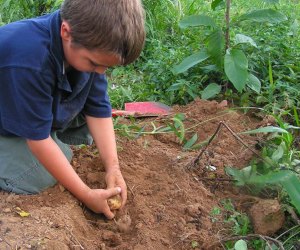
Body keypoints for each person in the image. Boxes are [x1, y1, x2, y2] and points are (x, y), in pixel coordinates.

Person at [0, 0, 145, 219]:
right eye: (95, 64)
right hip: (7, 106)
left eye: (106, 66)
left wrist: (113, 167)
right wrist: (86, 194)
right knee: (38, 175)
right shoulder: (29, 59)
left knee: (84, 126)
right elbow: (38, 141)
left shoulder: (85, 40)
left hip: (21, 99)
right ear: (66, 32)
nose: (101, 71)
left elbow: (97, 107)